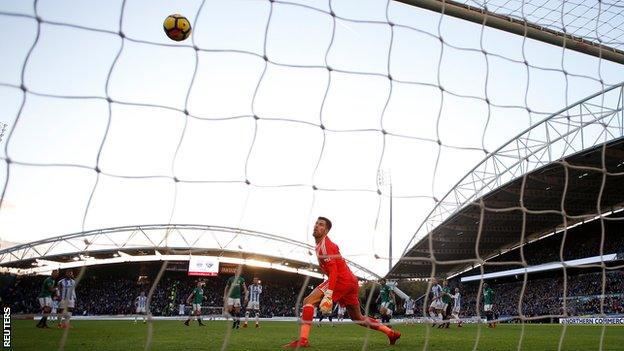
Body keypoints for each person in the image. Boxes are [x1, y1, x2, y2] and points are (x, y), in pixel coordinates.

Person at [283, 216, 400, 348]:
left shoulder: (326, 246)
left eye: (321, 225)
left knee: (307, 301)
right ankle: (391, 333)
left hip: (341, 279)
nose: (316, 226)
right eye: (316, 223)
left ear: (326, 231)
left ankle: (303, 340)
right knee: (358, 318)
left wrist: (328, 294)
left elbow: (334, 272)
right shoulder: (320, 245)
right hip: (351, 281)